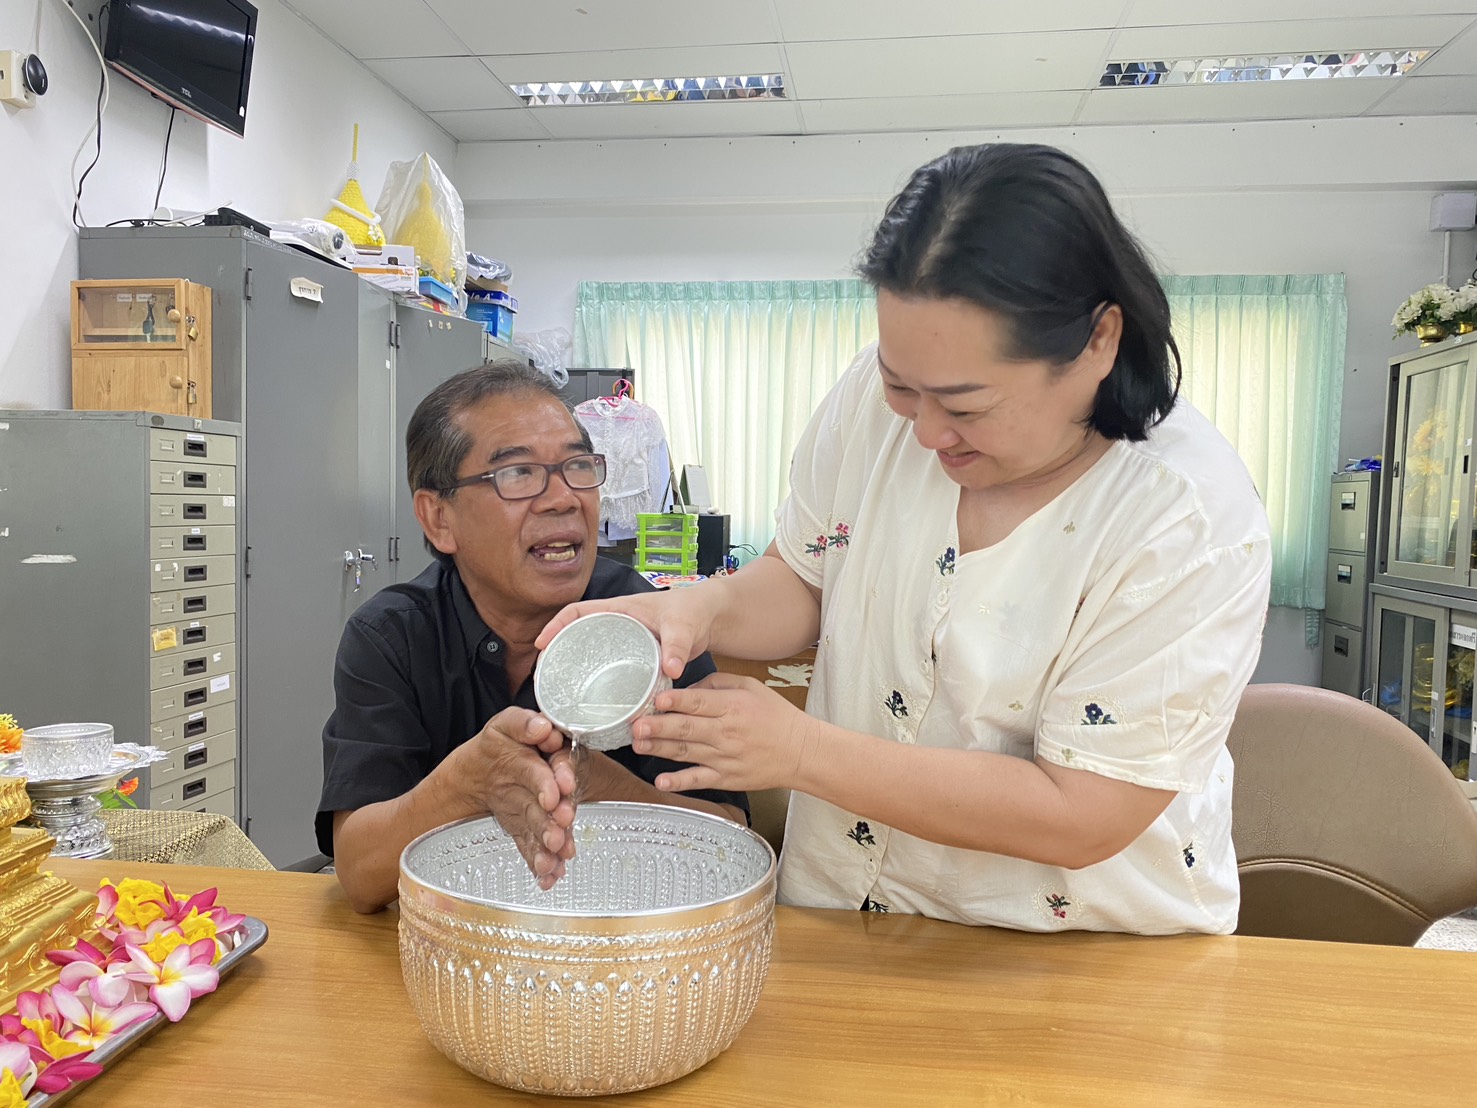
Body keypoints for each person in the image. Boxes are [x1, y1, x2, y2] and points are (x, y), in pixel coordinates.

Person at [537, 143, 1272, 934]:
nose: (923, 433)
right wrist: (703, 608)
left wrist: (801, 753)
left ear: (1097, 342)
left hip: (1075, 947)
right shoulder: (873, 396)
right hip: (842, 907)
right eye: (900, 386)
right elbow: (804, 580)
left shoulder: (1184, 520)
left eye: (965, 407)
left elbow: (1083, 813)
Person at [318, 361, 747, 914]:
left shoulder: (655, 627)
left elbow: (732, 838)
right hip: (459, 942)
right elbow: (358, 874)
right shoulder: (392, 636)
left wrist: (597, 784)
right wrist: (468, 784)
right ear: (438, 518)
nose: (563, 498)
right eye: (518, 473)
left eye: (577, 465)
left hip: (620, 938)